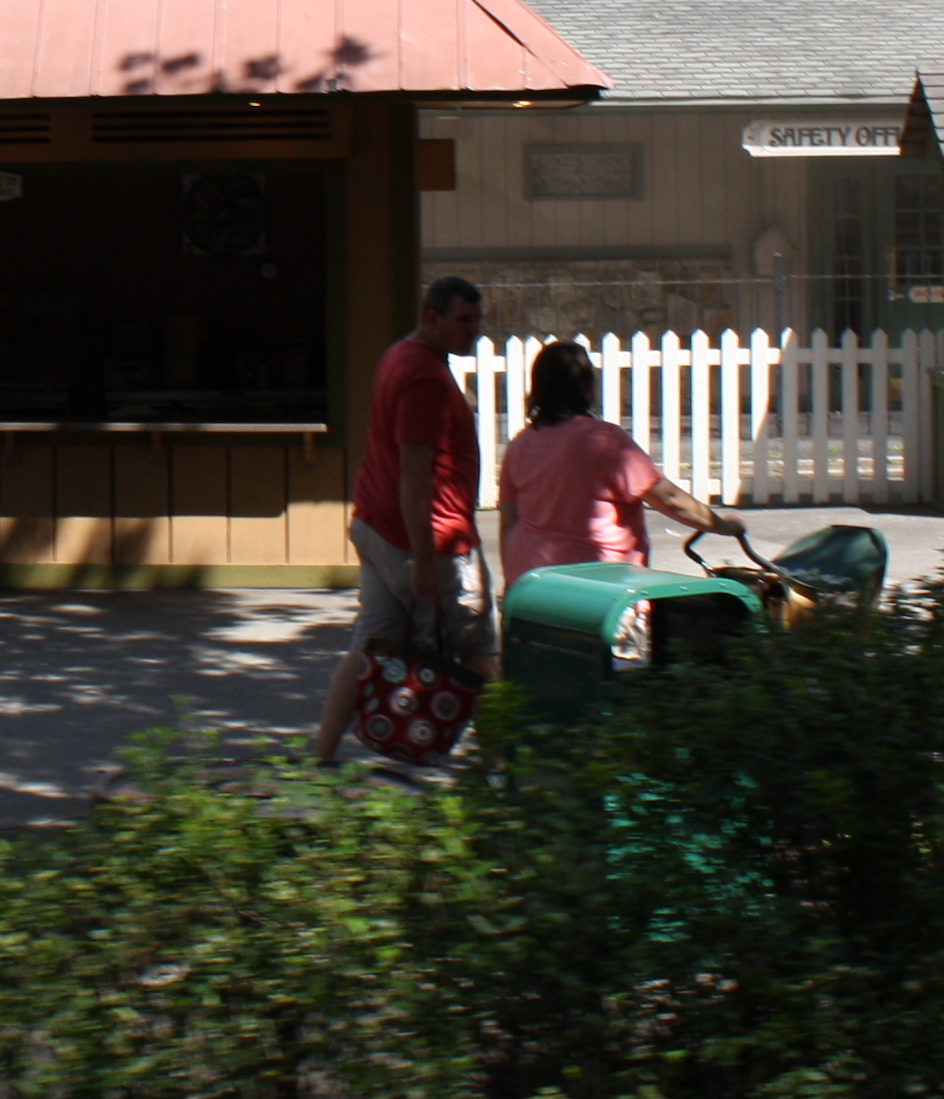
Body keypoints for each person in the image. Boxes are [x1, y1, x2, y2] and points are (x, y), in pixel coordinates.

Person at [312, 277, 493, 767]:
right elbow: (415, 476)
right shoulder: (424, 379)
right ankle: (502, 768)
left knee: (369, 647)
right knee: (478, 651)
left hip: (376, 526)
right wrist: (425, 561)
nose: (474, 330)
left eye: (477, 320)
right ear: (432, 318)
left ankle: (321, 757)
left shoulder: (400, 356)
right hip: (431, 540)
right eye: (463, 320)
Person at [498, 339, 743, 577]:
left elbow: (508, 522)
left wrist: (511, 582)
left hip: (532, 579)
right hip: (604, 584)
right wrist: (722, 526)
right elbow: (670, 499)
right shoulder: (605, 441)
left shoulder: (520, 444)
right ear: (585, 386)